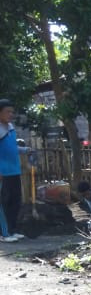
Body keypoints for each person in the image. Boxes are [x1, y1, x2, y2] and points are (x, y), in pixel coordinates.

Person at [0, 99, 32, 242]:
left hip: (14, 171)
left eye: (12, 111)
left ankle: (12, 230)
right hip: (3, 173)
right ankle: (4, 234)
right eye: (8, 111)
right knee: (4, 203)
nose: (11, 114)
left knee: (15, 202)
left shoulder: (11, 127)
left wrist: (25, 150)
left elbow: (12, 148)